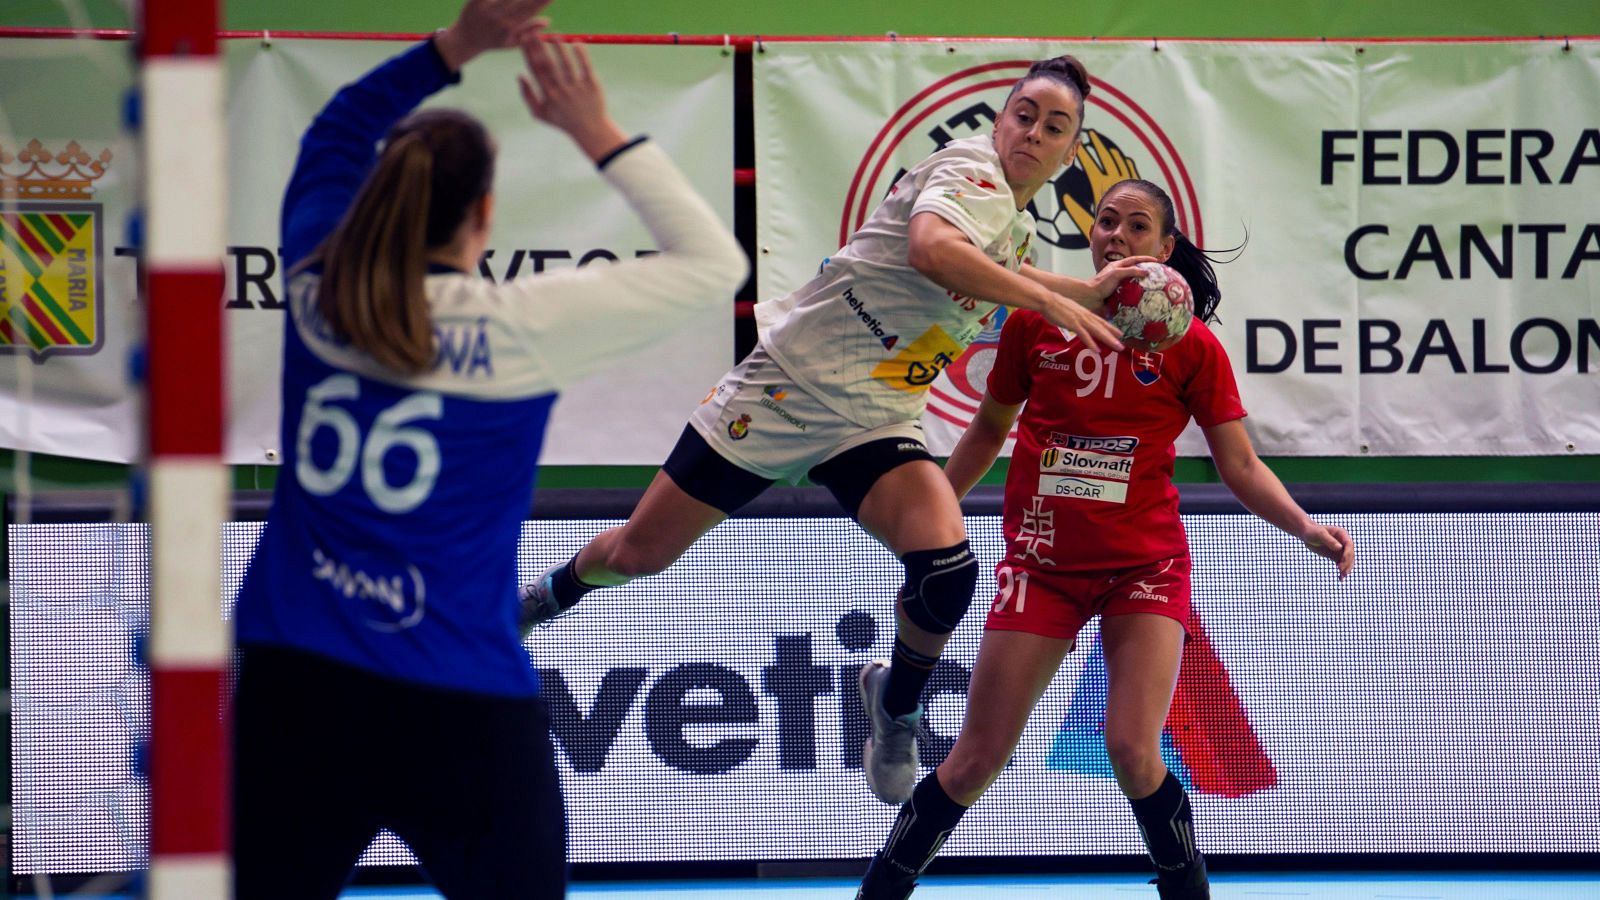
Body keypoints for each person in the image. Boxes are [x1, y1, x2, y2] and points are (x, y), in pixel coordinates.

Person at [519, 55, 1154, 806]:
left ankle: (895, 704)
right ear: (1000, 120)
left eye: (1055, 127)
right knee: (637, 553)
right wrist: (1051, 302)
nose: (1034, 133)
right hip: (787, 388)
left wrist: (1085, 290)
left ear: (1069, 151)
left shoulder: (1015, 233)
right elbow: (932, 249)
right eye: (1025, 114)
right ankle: (544, 598)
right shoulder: (968, 171)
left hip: (876, 415)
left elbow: (1005, 268)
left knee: (947, 572)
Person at [229, 0, 748, 896]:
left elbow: (336, 130)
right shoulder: (521, 326)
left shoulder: (318, 285)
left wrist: (455, 44)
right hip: (457, 695)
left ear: (377, 201)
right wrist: (594, 129)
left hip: (296, 680)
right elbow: (714, 265)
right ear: (484, 214)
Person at [854, 178, 1356, 900]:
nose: (1116, 235)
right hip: (1041, 566)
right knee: (973, 761)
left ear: (1165, 248)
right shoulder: (1038, 322)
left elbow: (1240, 464)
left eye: (1137, 226)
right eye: (1107, 221)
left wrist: (1304, 526)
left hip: (1144, 569)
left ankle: (1188, 891)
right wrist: (931, 519)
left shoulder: (1194, 348)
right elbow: (988, 429)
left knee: (1131, 749)